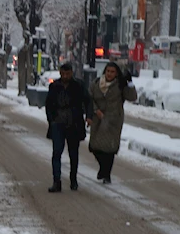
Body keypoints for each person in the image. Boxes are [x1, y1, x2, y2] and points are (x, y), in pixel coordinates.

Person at [88, 62, 138, 184]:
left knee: (109, 149)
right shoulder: (96, 83)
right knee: (95, 147)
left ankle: (106, 174)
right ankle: (103, 169)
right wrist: (95, 110)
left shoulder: (120, 85)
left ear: (116, 73)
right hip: (98, 119)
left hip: (113, 120)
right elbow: (89, 98)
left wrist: (130, 83)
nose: (110, 74)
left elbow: (132, 97)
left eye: (112, 72)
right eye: (108, 71)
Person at [45, 63, 90, 193]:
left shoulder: (78, 86)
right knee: (57, 153)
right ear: (60, 73)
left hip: (74, 123)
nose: (65, 76)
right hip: (58, 123)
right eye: (63, 73)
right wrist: (52, 120)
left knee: (73, 154)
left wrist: (89, 116)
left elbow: (87, 101)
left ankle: (73, 180)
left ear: (72, 73)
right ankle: (56, 181)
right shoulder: (54, 86)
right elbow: (48, 104)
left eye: (68, 73)